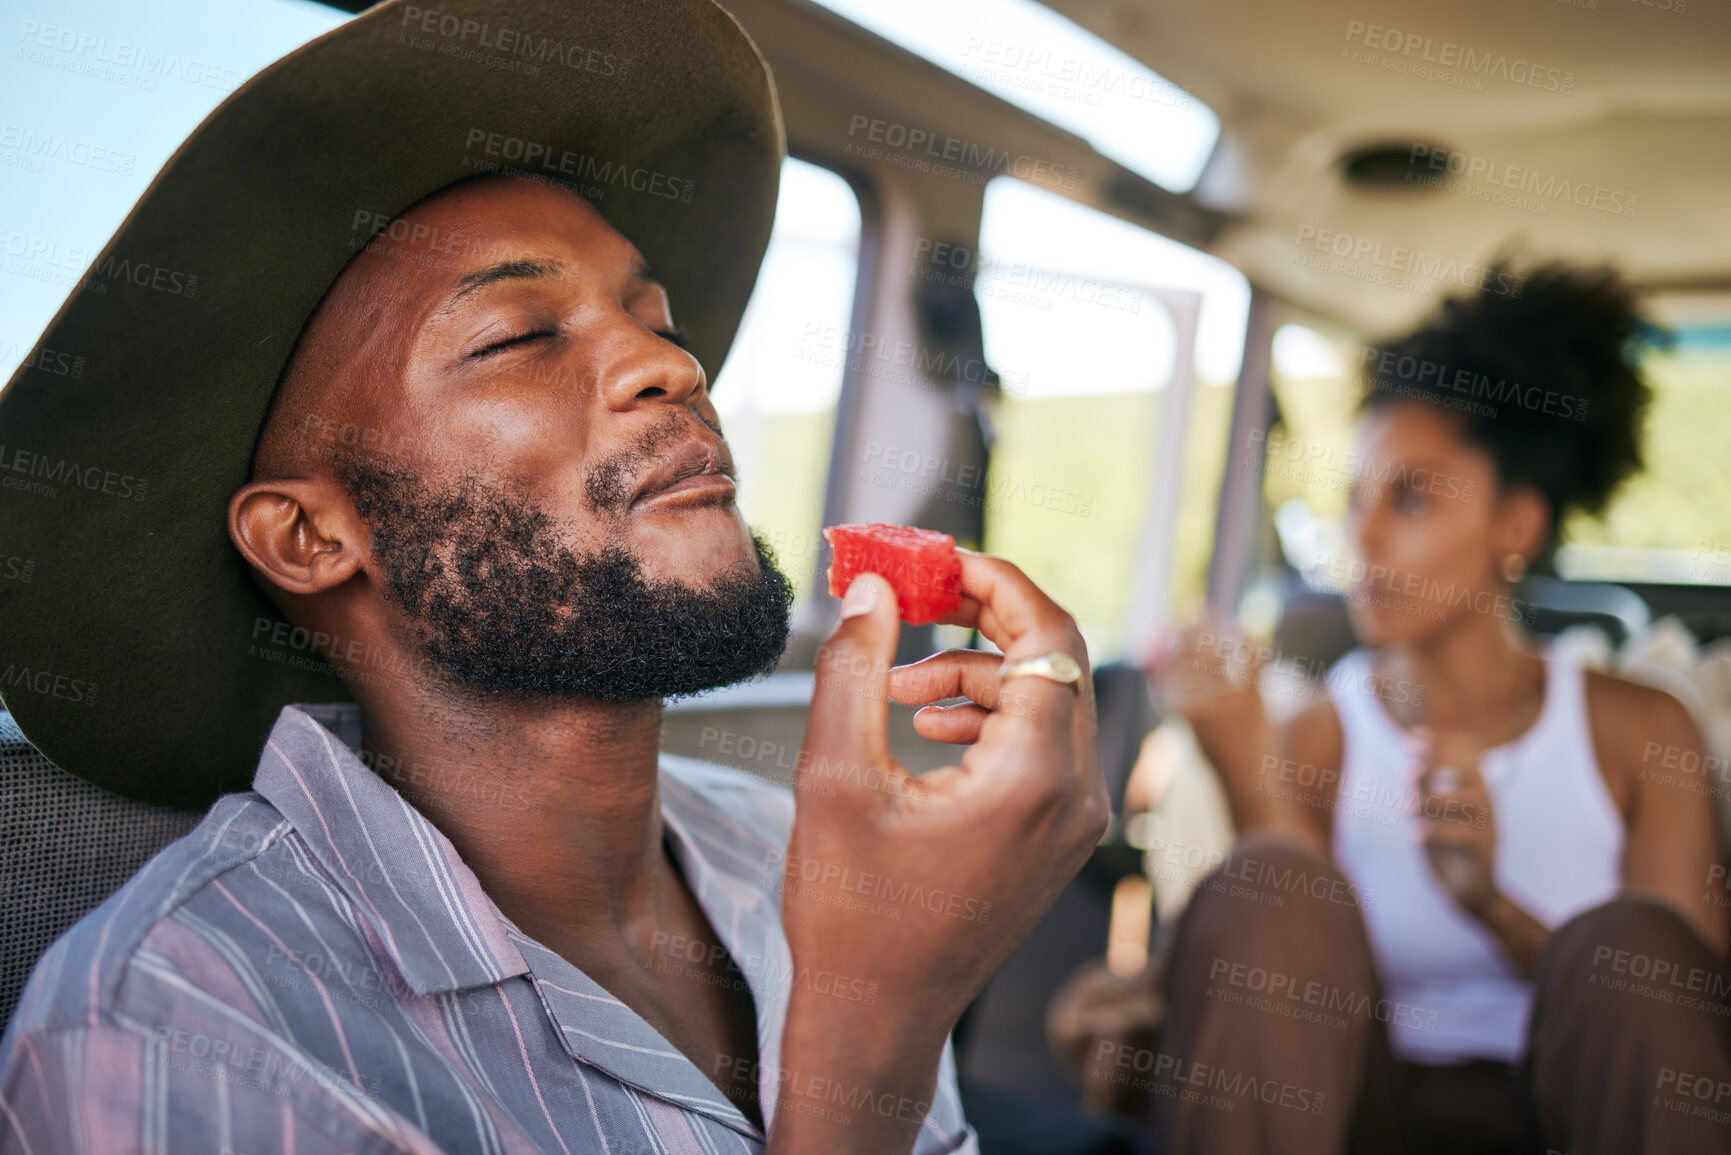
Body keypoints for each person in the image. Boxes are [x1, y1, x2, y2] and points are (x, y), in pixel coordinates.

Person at [0, 2, 1109, 1151]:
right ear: (308, 538)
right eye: (518, 336)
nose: (671, 365)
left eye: (657, 318)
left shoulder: (788, 847)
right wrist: (871, 1031)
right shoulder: (179, 1027)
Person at [1058, 262, 1731, 1154]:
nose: (1362, 536)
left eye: (1409, 497)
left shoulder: (1643, 731)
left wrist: (1488, 902)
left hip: (1569, 1119)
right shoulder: (1321, 733)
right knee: (1274, 886)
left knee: (1633, 946)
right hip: (1359, 1117)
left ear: (1515, 528)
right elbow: (1286, 989)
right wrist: (1242, 770)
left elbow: (1676, 1031)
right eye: (1356, 497)